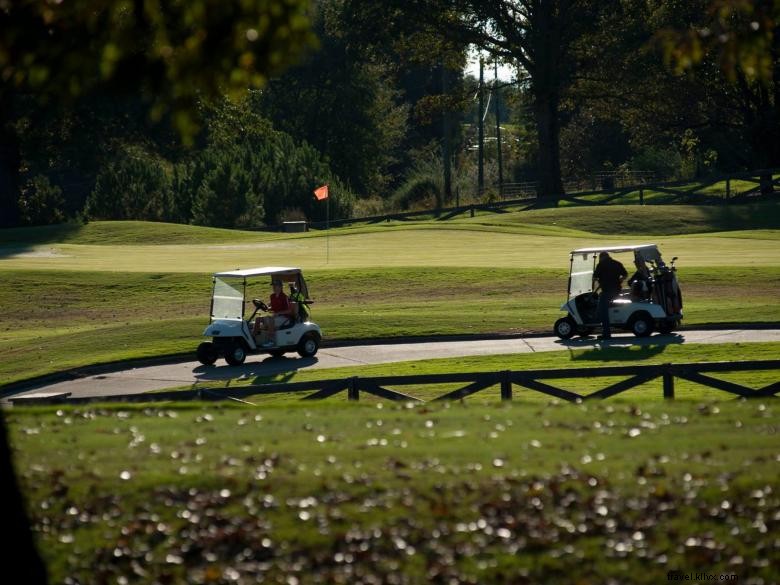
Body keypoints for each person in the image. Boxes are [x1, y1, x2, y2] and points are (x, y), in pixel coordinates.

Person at [592, 251, 627, 339]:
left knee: (603, 311)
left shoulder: (601, 265)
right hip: (616, 290)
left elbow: (595, 277)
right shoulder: (617, 263)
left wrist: (600, 280)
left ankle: (606, 333)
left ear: (601, 258)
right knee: (601, 298)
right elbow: (625, 274)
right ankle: (598, 318)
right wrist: (620, 280)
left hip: (607, 291)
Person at [253, 280, 293, 346]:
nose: (274, 288)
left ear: (280, 287)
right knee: (258, 319)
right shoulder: (272, 296)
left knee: (271, 319)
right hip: (276, 317)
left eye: (275, 286)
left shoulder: (284, 297)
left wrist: (278, 313)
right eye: (273, 286)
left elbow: (289, 310)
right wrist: (267, 308)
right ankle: (253, 338)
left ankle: (271, 341)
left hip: (285, 318)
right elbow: (273, 308)